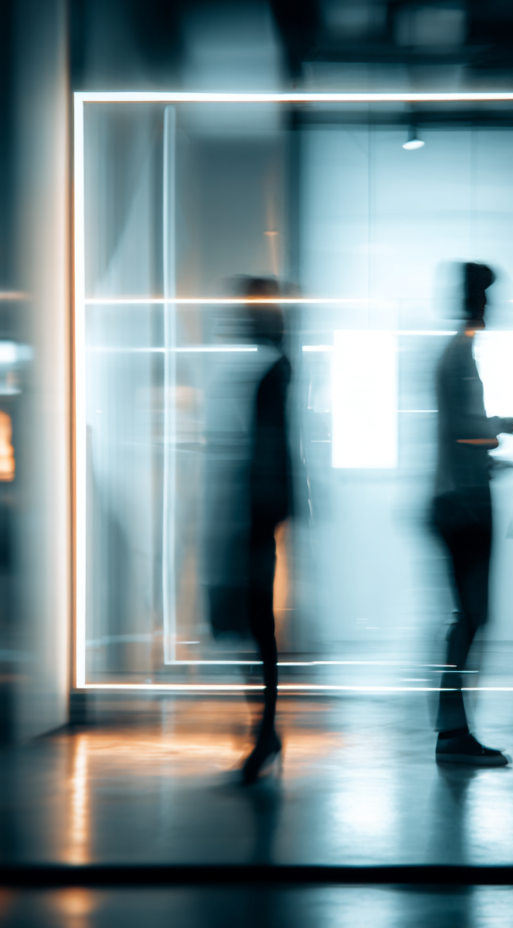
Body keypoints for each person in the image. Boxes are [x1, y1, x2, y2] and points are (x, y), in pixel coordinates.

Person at [203, 276, 292, 784]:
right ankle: (265, 730)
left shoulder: (268, 370)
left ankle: (265, 732)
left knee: (254, 625)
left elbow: (266, 451)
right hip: (253, 514)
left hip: (252, 516)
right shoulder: (270, 367)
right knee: (254, 626)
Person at [431, 262, 513, 766]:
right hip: (464, 505)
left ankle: (453, 727)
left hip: (459, 497)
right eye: (485, 296)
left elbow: (457, 434)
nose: (490, 306)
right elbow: (466, 427)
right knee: (472, 616)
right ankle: (453, 729)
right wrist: (499, 425)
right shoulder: (459, 354)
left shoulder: (455, 353)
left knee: (469, 616)